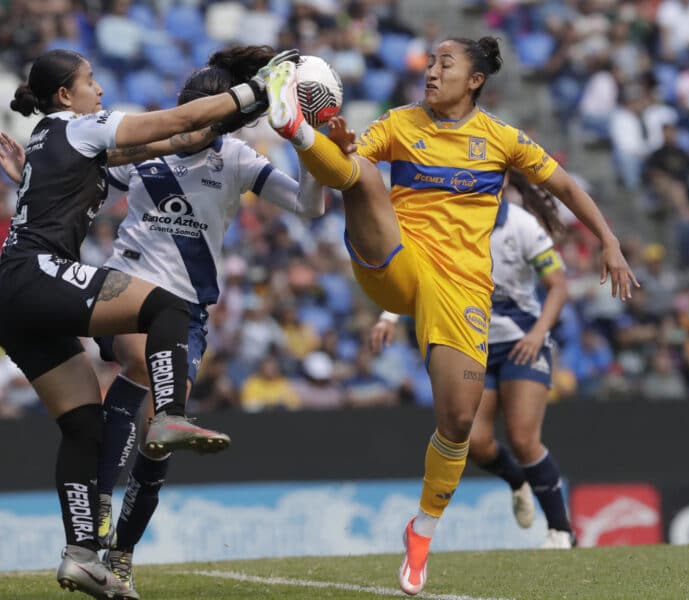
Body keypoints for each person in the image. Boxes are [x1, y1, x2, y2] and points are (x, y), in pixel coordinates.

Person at [264, 36, 636, 594]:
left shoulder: (501, 139)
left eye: (445, 64)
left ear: (476, 79)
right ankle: (291, 125)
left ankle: (422, 531)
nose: (431, 72)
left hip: (461, 288)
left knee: (460, 422)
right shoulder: (399, 123)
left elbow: (562, 184)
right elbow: (353, 159)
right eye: (429, 63)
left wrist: (608, 240)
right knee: (362, 178)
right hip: (396, 260)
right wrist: (332, 144)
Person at [0, 46, 323, 596]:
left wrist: (307, 143)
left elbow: (71, 179)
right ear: (65, 95)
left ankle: (103, 554)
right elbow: (176, 129)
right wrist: (262, 90)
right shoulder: (111, 138)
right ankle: (129, 461)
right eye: (90, 80)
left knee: (94, 428)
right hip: (121, 289)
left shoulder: (233, 157)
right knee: (146, 340)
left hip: (163, 309)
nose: (100, 89)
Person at [372, 171, 574, 548]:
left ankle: (561, 530)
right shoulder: (446, 223)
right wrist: (388, 315)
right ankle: (516, 481)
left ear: (498, 186)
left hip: (521, 343)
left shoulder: (522, 225)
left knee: (522, 436)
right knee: (475, 442)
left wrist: (536, 333)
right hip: (470, 343)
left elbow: (558, 286)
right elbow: (416, 277)